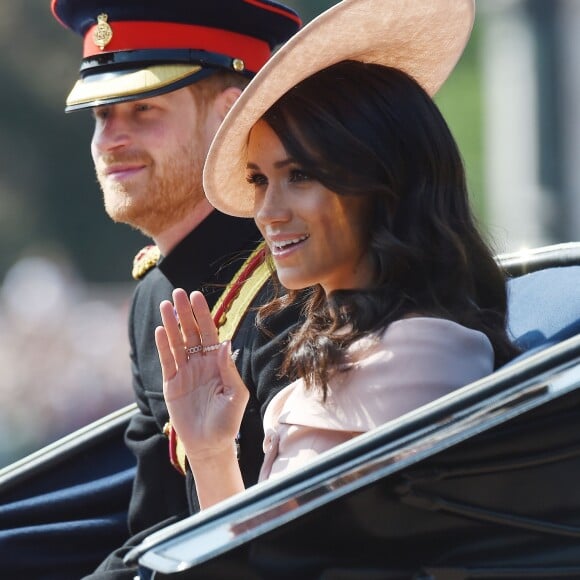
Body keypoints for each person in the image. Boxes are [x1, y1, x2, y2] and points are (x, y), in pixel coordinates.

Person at [155, 0, 521, 510]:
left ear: (382, 181)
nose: (268, 212)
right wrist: (211, 450)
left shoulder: (422, 352)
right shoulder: (352, 346)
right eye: (260, 180)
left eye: (300, 175)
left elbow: (283, 559)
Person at [45, 1, 301, 578]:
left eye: (143, 109)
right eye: (100, 114)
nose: (111, 139)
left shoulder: (294, 286)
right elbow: (155, 527)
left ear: (229, 116)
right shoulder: (154, 294)